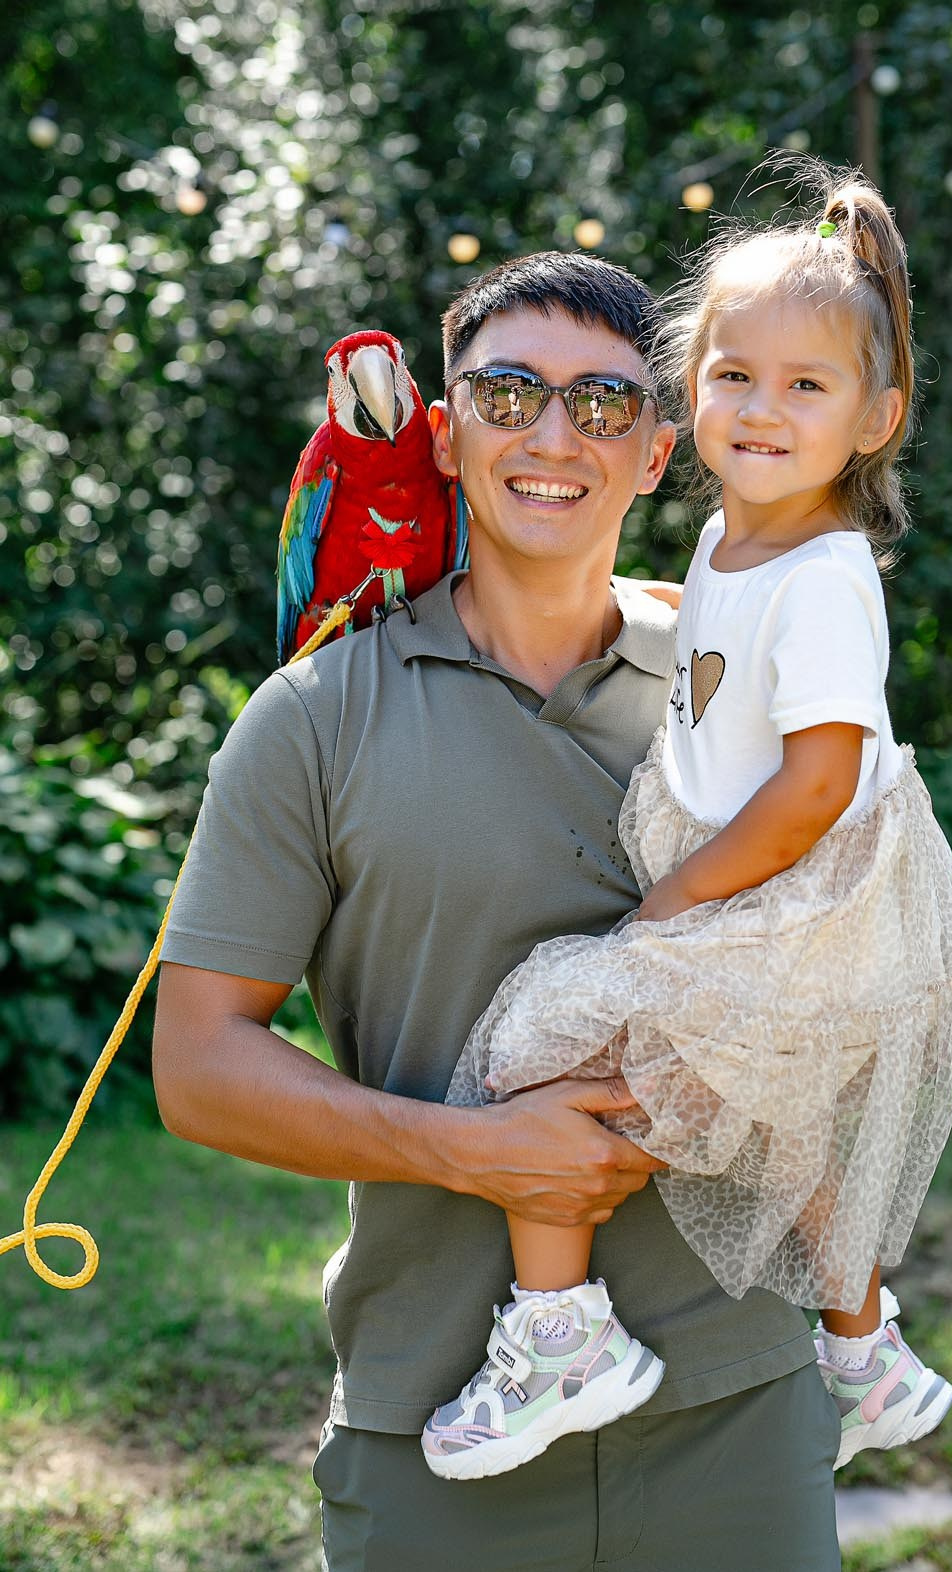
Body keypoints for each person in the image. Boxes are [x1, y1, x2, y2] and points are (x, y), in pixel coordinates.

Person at [152, 249, 844, 1572]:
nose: (549, 435)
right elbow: (196, 1072)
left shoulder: (752, 685)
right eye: (508, 392)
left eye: (601, 403)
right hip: (437, 1419)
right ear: (445, 428)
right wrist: (469, 1150)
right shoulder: (312, 718)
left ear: (657, 448)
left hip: (736, 1402)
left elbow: (845, 971)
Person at [423, 168, 952, 1483]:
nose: (762, 408)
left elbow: (812, 784)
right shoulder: (741, 540)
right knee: (775, 1125)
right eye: (735, 375)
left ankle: (563, 1337)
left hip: (788, 891)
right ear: (694, 390)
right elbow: (718, 640)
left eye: (807, 386)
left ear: (873, 416)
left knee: (544, 1036)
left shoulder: (826, 576)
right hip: (761, 880)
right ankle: (867, 1354)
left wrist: (669, 909)